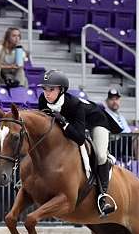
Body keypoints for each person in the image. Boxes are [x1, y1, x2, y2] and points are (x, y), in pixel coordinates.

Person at [38, 70, 123, 217]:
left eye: (51, 89)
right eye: (45, 89)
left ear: (61, 90)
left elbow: (79, 138)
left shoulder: (74, 105)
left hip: (97, 120)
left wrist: (63, 122)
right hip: (76, 123)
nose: (47, 93)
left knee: (100, 155)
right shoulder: (43, 100)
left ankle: (102, 197)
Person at [101, 88, 139, 165]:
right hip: (117, 142)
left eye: (116, 99)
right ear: (107, 101)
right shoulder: (105, 114)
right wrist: (138, 132)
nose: (115, 102)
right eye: (112, 99)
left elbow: (128, 131)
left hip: (129, 142)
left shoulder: (120, 116)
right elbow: (117, 132)